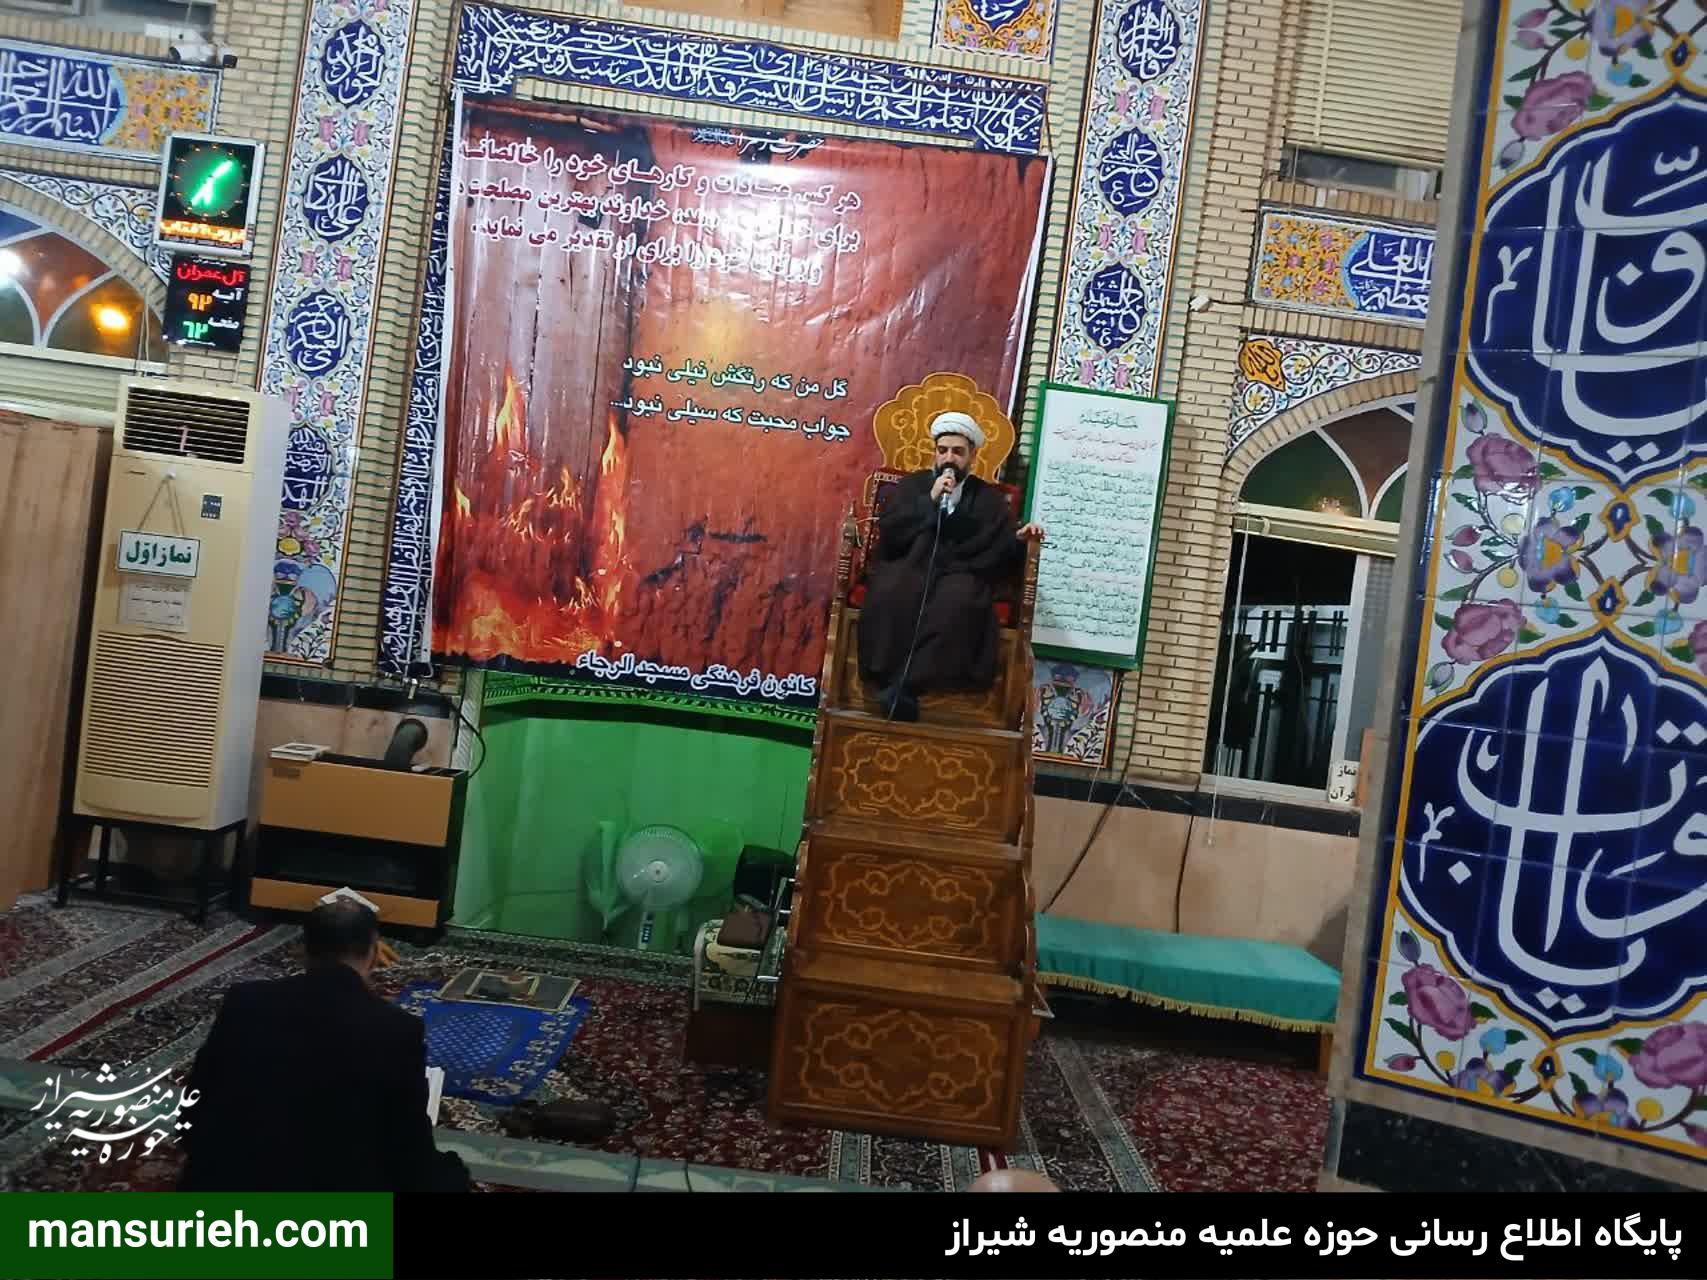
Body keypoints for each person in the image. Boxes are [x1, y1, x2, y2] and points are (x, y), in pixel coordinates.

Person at [177, 899, 472, 1192]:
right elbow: (411, 1153)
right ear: (373, 953)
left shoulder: (244, 1001)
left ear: (304, 950)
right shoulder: (396, 1029)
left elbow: (193, 1110)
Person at [858, 410, 1045, 720]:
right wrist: (929, 500)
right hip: (911, 563)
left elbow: (997, 547)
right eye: (942, 450)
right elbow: (892, 531)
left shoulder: (987, 498)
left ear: (972, 456)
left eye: (958, 451)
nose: (949, 458)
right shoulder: (913, 486)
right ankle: (885, 678)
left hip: (961, 572)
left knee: (959, 603)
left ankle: (906, 686)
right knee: (892, 591)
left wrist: (1019, 539)